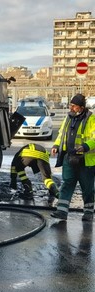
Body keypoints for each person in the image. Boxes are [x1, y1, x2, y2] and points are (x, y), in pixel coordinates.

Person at [50, 93, 95, 221]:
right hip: (69, 158)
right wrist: (56, 145)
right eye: (71, 105)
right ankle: (62, 211)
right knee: (67, 183)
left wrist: (86, 146)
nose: (71, 108)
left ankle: (88, 212)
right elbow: (61, 134)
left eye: (74, 106)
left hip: (85, 160)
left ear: (81, 107)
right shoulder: (68, 117)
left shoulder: (91, 119)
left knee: (87, 187)